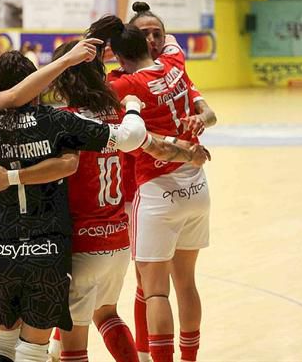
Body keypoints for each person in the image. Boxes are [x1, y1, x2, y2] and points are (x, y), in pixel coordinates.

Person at [0, 44, 153, 362]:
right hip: (46, 252)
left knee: (4, 347)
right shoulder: (56, 121)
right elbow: (131, 138)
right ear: (34, 84)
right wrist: (132, 107)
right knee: (33, 351)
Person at [38, 41, 209, 362]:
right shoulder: (120, 114)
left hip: (81, 240)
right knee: (107, 313)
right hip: (116, 239)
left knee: (75, 343)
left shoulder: (63, 122)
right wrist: (189, 153)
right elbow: (155, 145)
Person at [88, 13, 217, 362]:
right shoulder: (175, 61)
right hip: (196, 186)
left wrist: (100, 45)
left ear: (117, 54)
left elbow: (86, 91)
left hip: (157, 191)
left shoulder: (125, 86)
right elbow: (170, 40)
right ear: (145, 44)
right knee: (187, 284)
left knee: (155, 292)